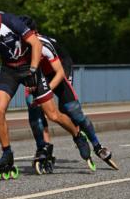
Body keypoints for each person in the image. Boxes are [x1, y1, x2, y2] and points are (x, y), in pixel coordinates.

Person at [0, 0, 93, 178]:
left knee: (52, 114)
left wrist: (33, 70)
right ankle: (7, 153)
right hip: (9, 71)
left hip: (29, 66)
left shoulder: (11, 22)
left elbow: (35, 44)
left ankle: (77, 135)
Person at [27, 32, 119, 173]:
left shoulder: (42, 43)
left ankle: (97, 146)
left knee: (70, 110)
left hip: (59, 67)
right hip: (39, 73)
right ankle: (43, 148)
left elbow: (59, 73)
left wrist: (47, 91)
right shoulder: (16, 45)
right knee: (34, 107)